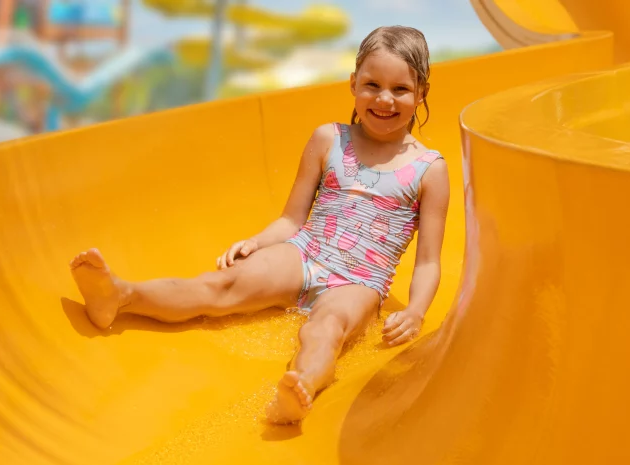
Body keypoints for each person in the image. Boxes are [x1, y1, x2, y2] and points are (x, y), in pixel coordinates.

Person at [68, 25, 449, 425]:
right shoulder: (329, 139)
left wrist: (416, 310)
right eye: (372, 85)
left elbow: (428, 261)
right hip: (304, 252)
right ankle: (121, 296)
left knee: (327, 328)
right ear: (353, 83)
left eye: (400, 89)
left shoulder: (429, 169)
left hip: (360, 281)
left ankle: (301, 387)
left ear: (422, 92)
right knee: (221, 285)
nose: (384, 99)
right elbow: (291, 219)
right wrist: (256, 242)